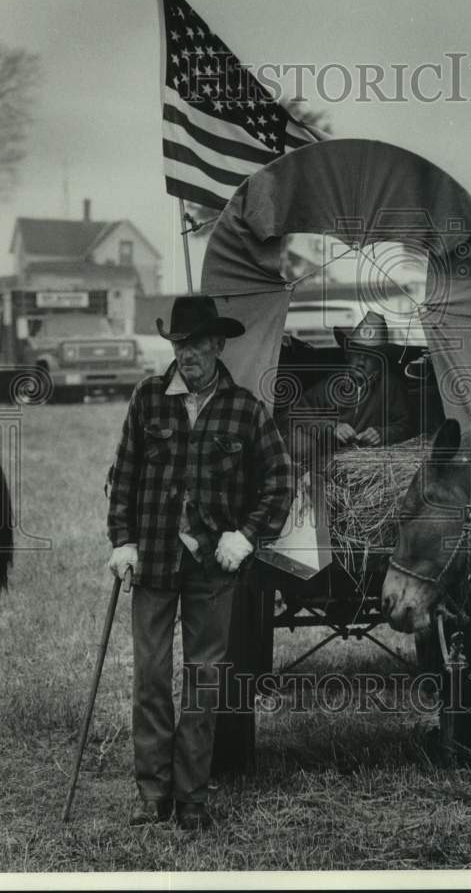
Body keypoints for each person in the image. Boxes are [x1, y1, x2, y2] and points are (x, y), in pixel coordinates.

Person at [106, 295, 293, 831]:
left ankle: (191, 798)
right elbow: (123, 477)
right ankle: (153, 793)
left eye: (196, 343)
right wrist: (123, 541)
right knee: (151, 678)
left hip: (215, 568)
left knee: (204, 679)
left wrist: (247, 534)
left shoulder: (245, 409)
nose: (186, 353)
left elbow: (279, 482)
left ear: (217, 345)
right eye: (179, 343)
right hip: (155, 562)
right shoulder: (148, 398)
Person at [294, 311, 414, 448]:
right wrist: (331, 427)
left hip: (369, 460)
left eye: (369, 355)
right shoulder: (330, 385)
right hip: (330, 457)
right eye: (357, 353)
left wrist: (383, 434)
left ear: (379, 361)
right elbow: (296, 415)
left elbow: (407, 427)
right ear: (347, 355)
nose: (361, 362)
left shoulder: (391, 386)